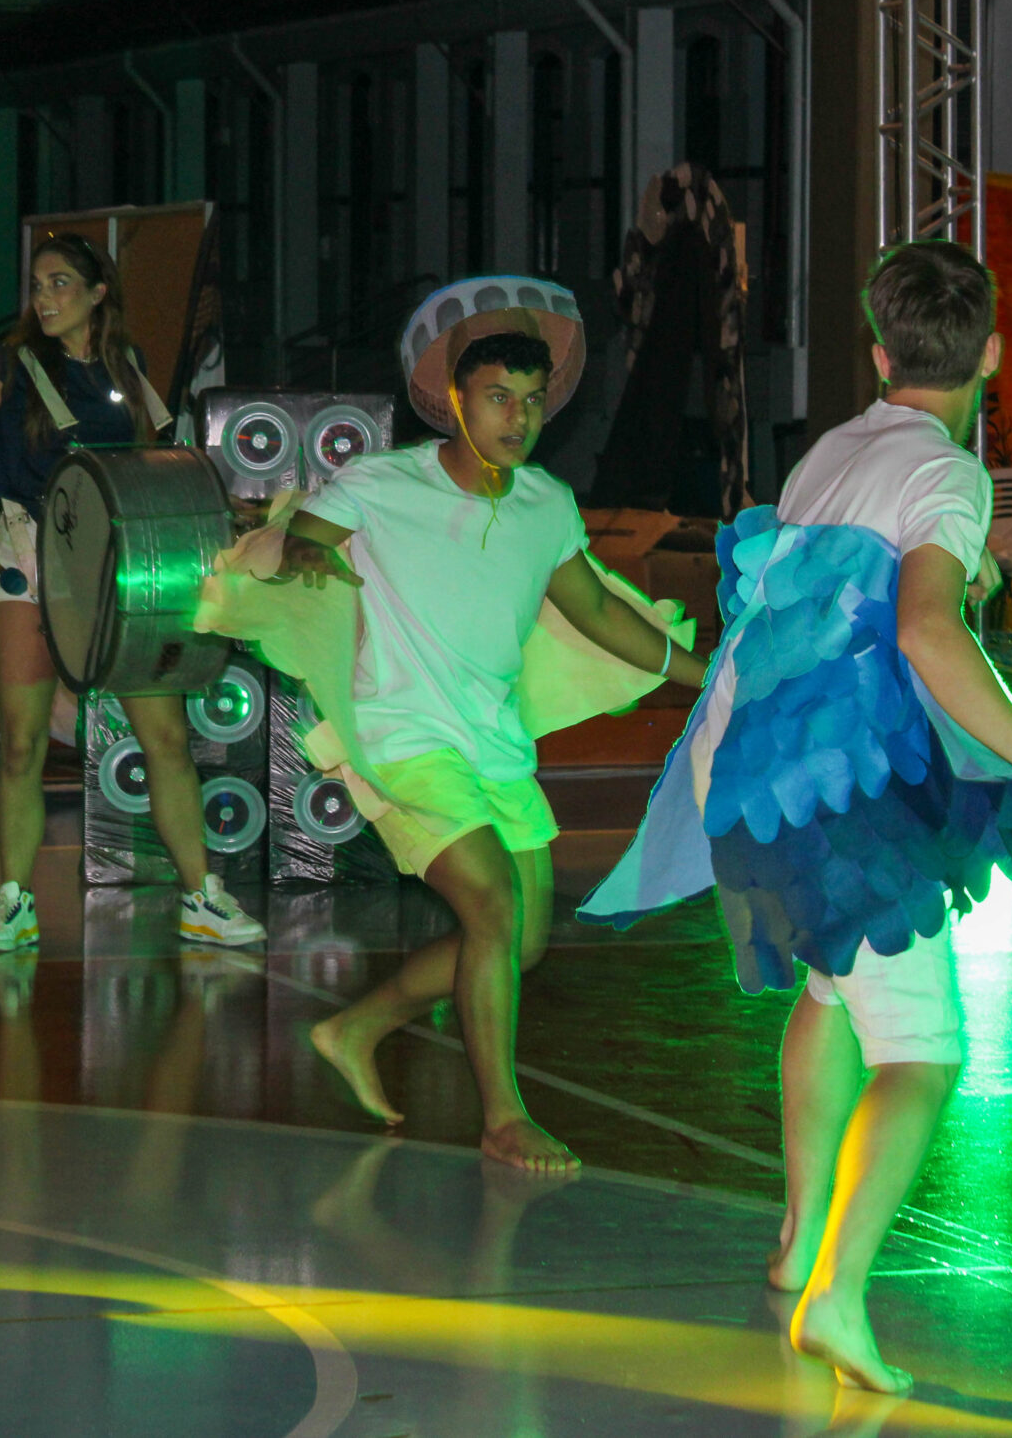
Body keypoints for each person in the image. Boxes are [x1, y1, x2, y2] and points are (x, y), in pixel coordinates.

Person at [580, 239, 1012, 1394]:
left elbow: (819, 592)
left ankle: (796, 1241)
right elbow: (926, 629)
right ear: (990, 355)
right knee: (922, 1057)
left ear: (879, 356)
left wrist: (945, 582)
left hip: (748, 765)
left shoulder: (832, 449)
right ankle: (837, 1292)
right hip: (831, 786)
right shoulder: (949, 475)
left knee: (830, 994)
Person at [275, 278, 708, 1176]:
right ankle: (504, 1118)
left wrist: (705, 674)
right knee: (494, 907)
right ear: (456, 399)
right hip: (402, 738)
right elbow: (301, 538)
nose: (519, 417)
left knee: (520, 940)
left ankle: (357, 1027)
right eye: (499, 398)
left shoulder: (545, 504)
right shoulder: (380, 484)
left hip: (496, 747)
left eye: (533, 400)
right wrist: (308, 558)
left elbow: (597, 610)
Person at [0, 232, 265, 952]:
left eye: (60, 283)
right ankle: (13, 903)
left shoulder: (126, 367)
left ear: (98, 293)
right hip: (26, 560)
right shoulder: (10, 364)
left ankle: (202, 896)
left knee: (166, 738)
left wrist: (222, 506)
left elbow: (158, 462)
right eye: (38, 285)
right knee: (21, 744)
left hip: (115, 570)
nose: (44, 298)